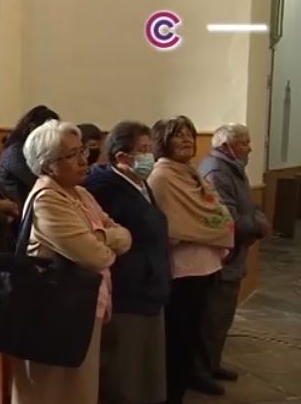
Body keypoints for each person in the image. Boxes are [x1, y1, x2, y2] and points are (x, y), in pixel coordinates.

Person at [13, 120, 131, 404]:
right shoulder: (47, 200)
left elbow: (126, 237)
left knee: (79, 387)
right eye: (72, 155)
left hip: (81, 305)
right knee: (52, 390)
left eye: (82, 151)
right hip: (52, 310)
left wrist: (99, 236)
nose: (84, 160)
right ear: (47, 165)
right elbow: (95, 256)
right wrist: (106, 240)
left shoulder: (81, 193)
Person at [147, 116, 234, 404]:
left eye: (189, 135)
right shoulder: (161, 177)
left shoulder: (191, 173)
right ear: (162, 141)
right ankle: (171, 395)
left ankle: (182, 388)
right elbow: (173, 227)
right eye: (177, 135)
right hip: (182, 269)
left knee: (195, 334)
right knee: (179, 338)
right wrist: (208, 229)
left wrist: (211, 228)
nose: (186, 140)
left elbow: (218, 213)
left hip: (205, 265)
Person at [83, 121, 170, 404]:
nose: (149, 156)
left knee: (145, 365)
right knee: (124, 369)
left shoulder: (140, 183)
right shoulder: (105, 186)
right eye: (142, 150)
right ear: (122, 157)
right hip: (128, 287)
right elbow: (116, 234)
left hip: (149, 282)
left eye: (149, 149)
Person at [194, 123, 270, 388]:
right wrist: (258, 224)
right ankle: (200, 372)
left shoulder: (234, 169)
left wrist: (256, 218)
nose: (250, 148)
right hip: (222, 260)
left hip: (234, 258)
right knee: (211, 320)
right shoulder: (216, 172)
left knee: (222, 318)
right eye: (244, 143)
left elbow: (252, 206)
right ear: (227, 146)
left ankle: (212, 364)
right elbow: (227, 221)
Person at [0, 105, 60, 206]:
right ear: (32, 128)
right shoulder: (15, 152)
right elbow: (38, 181)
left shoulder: (39, 150)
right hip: (18, 209)